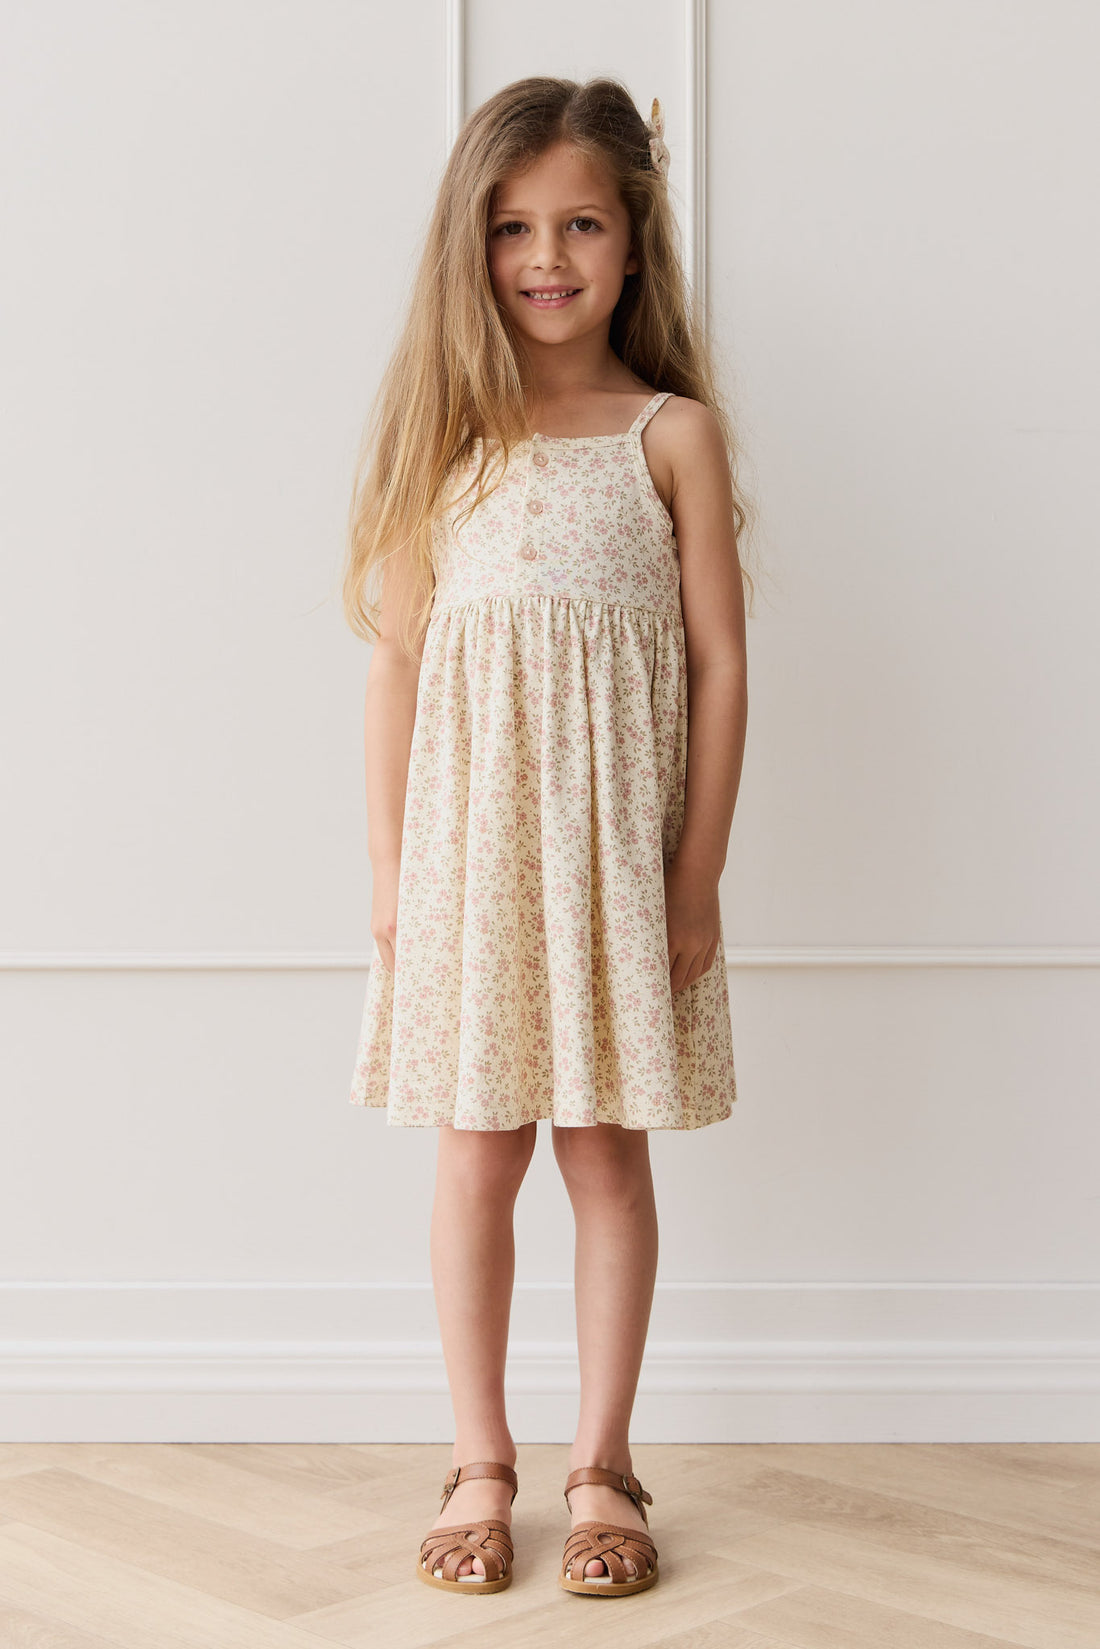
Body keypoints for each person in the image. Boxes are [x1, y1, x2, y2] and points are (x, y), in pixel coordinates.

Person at [342, 75, 753, 1598]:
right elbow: (395, 662)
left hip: (613, 871)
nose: (547, 258)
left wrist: (696, 873)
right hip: (470, 864)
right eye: (514, 228)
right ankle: (479, 1458)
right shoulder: (443, 440)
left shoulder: (671, 435)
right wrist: (392, 871)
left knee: (606, 1155)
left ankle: (602, 1464)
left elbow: (721, 663)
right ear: (475, 246)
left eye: (581, 224)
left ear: (634, 241)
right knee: (475, 1157)